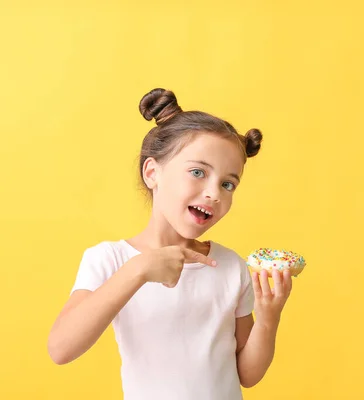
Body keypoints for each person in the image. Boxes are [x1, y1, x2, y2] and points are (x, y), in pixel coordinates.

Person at [47, 88, 293, 400]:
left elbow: (247, 374)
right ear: (152, 173)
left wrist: (269, 319)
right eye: (198, 172)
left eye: (227, 184)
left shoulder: (231, 266)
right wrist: (138, 270)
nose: (214, 193)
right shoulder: (110, 259)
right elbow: (61, 348)